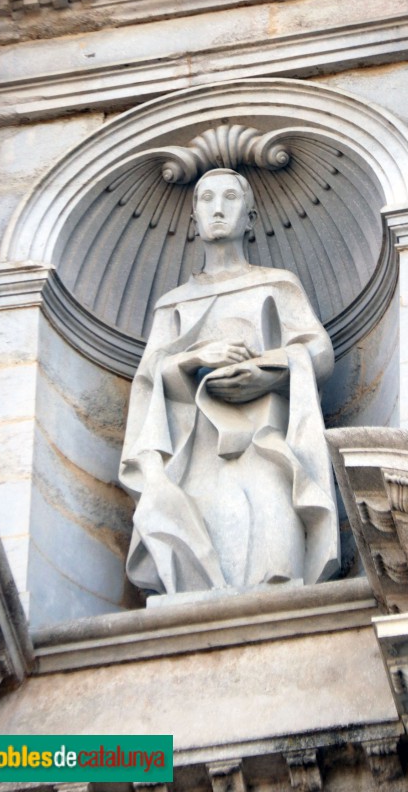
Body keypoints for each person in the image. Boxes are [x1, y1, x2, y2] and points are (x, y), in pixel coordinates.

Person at [119, 168, 339, 595]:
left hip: (265, 443)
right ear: (193, 220)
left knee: (277, 550)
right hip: (197, 453)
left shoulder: (276, 285)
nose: (217, 208)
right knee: (201, 550)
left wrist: (266, 372)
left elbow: (319, 352)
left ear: (250, 218)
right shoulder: (173, 304)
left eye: (230, 198)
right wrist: (195, 358)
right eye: (206, 199)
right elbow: (148, 379)